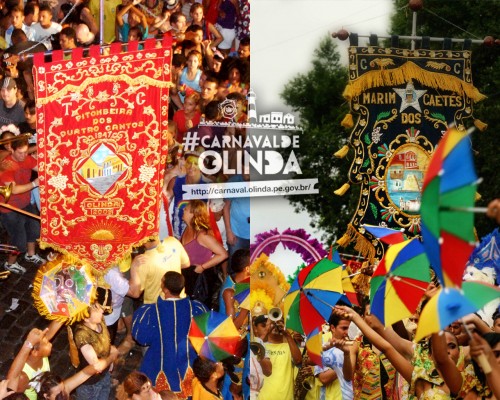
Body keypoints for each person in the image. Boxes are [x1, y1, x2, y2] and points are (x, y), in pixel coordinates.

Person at [132, 271, 208, 398]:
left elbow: (142, 338)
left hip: (157, 364)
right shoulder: (197, 309)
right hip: (189, 363)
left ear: (165, 289)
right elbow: (205, 335)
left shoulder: (150, 312)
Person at [0, 136, 43, 274]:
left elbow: (40, 168)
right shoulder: (6, 165)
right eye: (20, 152)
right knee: (18, 240)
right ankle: (10, 264)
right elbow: (13, 190)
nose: (24, 155)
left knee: (34, 229)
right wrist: (34, 184)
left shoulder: (26, 158)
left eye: (26, 151)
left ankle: (30, 254)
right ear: (11, 150)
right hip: (9, 208)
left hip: (25, 203)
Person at [73, 287, 118, 400]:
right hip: (90, 384)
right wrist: (112, 356)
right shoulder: (82, 334)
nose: (102, 311)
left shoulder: (100, 321)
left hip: (105, 375)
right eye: (96, 309)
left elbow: (105, 340)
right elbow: (96, 366)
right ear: (86, 318)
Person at [180, 199, 228, 305]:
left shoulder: (202, 235)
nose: (183, 209)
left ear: (194, 213)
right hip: (188, 275)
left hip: (198, 279)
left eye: (186, 209)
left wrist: (202, 267)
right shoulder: (187, 229)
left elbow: (223, 254)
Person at [6, 322, 63, 400]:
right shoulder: (23, 377)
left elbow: (54, 327)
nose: (50, 344)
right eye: (46, 343)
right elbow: (18, 396)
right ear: (35, 352)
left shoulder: (41, 354)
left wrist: (65, 314)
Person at [128, 236, 190, 304]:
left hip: (156, 308)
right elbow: (186, 264)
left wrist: (133, 268)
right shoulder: (173, 241)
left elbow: (135, 293)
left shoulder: (142, 261)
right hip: (180, 300)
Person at [257, 315, 302, 400]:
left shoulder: (290, 347)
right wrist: (266, 330)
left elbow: (299, 361)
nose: (276, 324)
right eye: (272, 322)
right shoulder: (261, 346)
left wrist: (287, 334)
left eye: (280, 321)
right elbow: (255, 349)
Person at [314, 313, 354, 400]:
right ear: (332, 328)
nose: (347, 332)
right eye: (343, 328)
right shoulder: (322, 345)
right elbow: (324, 378)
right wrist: (350, 364)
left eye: (349, 328)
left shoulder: (355, 345)